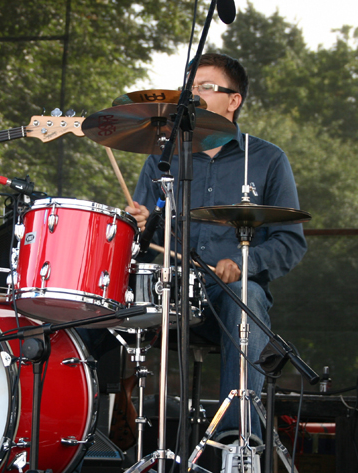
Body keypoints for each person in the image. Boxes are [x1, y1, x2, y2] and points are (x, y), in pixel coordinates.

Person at [125, 53, 307, 443]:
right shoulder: (162, 159)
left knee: (247, 297)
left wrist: (244, 263)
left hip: (228, 296)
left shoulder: (267, 159)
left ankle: (236, 441)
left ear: (233, 100)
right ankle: (85, 442)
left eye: (205, 87)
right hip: (167, 293)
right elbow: (139, 247)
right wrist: (139, 226)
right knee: (91, 307)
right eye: (189, 88)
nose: (193, 95)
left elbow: (290, 242)